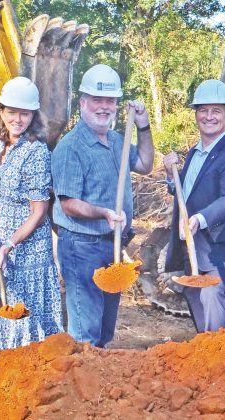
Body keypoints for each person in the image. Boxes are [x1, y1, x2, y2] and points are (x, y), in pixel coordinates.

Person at [51, 64, 154, 346]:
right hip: (82, 247)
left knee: (105, 331)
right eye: (97, 100)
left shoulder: (118, 140)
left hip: (112, 244)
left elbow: (145, 164)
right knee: (86, 333)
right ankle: (81, 374)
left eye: (110, 101)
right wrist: (103, 213)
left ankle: (98, 373)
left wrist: (143, 126)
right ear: (83, 102)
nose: (104, 107)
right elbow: (69, 203)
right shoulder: (71, 147)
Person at [0, 77, 62, 355]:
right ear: (0, 111)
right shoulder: (2, 141)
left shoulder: (36, 152)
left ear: (33, 116)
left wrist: (10, 245)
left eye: (25, 113)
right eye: (11, 112)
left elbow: (39, 212)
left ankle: (24, 367)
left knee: (22, 315)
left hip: (25, 248)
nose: (17, 119)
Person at [162, 80, 225, 332]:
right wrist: (172, 178)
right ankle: (206, 348)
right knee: (195, 296)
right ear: (196, 114)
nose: (209, 117)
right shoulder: (195, 153)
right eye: (203, 110)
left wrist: (200, 218)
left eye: (216, 111)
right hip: (196, 248)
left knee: (211, 292)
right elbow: (186, 194)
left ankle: (221, 351)